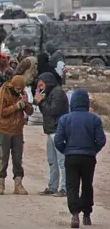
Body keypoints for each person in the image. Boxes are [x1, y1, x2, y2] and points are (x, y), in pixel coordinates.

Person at [54, 89, 106, 228]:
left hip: (71, 157)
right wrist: (93, 150)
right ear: (86, 102)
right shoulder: (94, 119)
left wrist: (66, 151)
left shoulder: (65, 119)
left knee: (72, 186)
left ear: (73, 102)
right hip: (89, 158)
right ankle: (87, 215)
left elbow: (58, 140)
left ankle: (75, 214)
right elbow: (101, 140)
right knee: (87, 185)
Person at [0, 76, 33, 196]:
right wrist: (16, 106)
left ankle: (18, 184)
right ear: (12, 85)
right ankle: (0, 183)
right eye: (17, 88)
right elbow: (2, 112)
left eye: (21, 89)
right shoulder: (3, 93)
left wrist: (25, 104)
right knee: (3, 157)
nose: (19, 91)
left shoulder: (22, 93)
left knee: (18, 159)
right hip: (5, 130)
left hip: (18, 131)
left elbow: (30, 112)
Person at [35, 72, 70, 197]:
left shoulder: (58, 92)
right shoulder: (50, 92)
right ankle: (53, 186)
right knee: (52, 161)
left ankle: (65, 188)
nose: (40, 87)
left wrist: (41, 102)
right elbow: (46, 112)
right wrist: (40, 102)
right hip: (50, 131)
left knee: (62, 161)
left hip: (58, 131)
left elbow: (52, 111)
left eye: (42, 84)